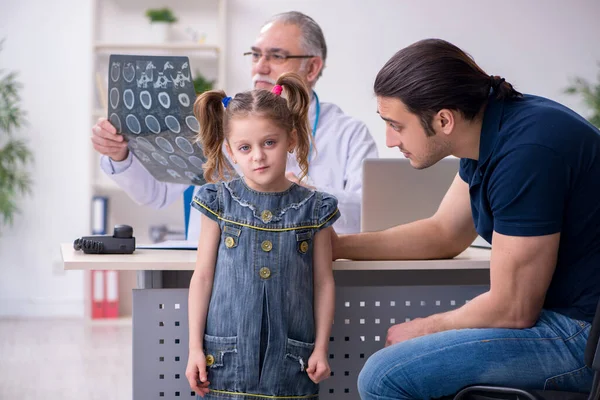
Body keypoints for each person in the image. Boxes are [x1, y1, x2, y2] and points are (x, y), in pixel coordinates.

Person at [331, 39, 600, 399]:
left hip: (585, 336)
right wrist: (336, 246)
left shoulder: (526, 152)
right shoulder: (487, 132)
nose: (390, 140)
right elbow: (443, 233)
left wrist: (425, 328)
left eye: (397, 125)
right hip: (568, 318)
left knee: (385, 375)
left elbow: (513, 309)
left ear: (444, 119)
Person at [91, 11, 377, 239]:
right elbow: (156, 192)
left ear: (312, 67)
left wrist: (307, 194)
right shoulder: (223, 121)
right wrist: (121, 155)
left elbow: (370, 213)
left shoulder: (348, 134)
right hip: (219, 278)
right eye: (255, 54)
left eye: (276, 56)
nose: (260, 66)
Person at [185, 72, 338, 399]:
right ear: (230, 150)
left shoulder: (316, 208)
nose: (258, 156)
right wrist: (194, 348)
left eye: (270, 142)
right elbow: (202, 277)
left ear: (291, 139)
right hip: (224, 363)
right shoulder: (217, 202)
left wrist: (321, 348)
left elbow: (323, 281)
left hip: (293, 362)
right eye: (245, 147)